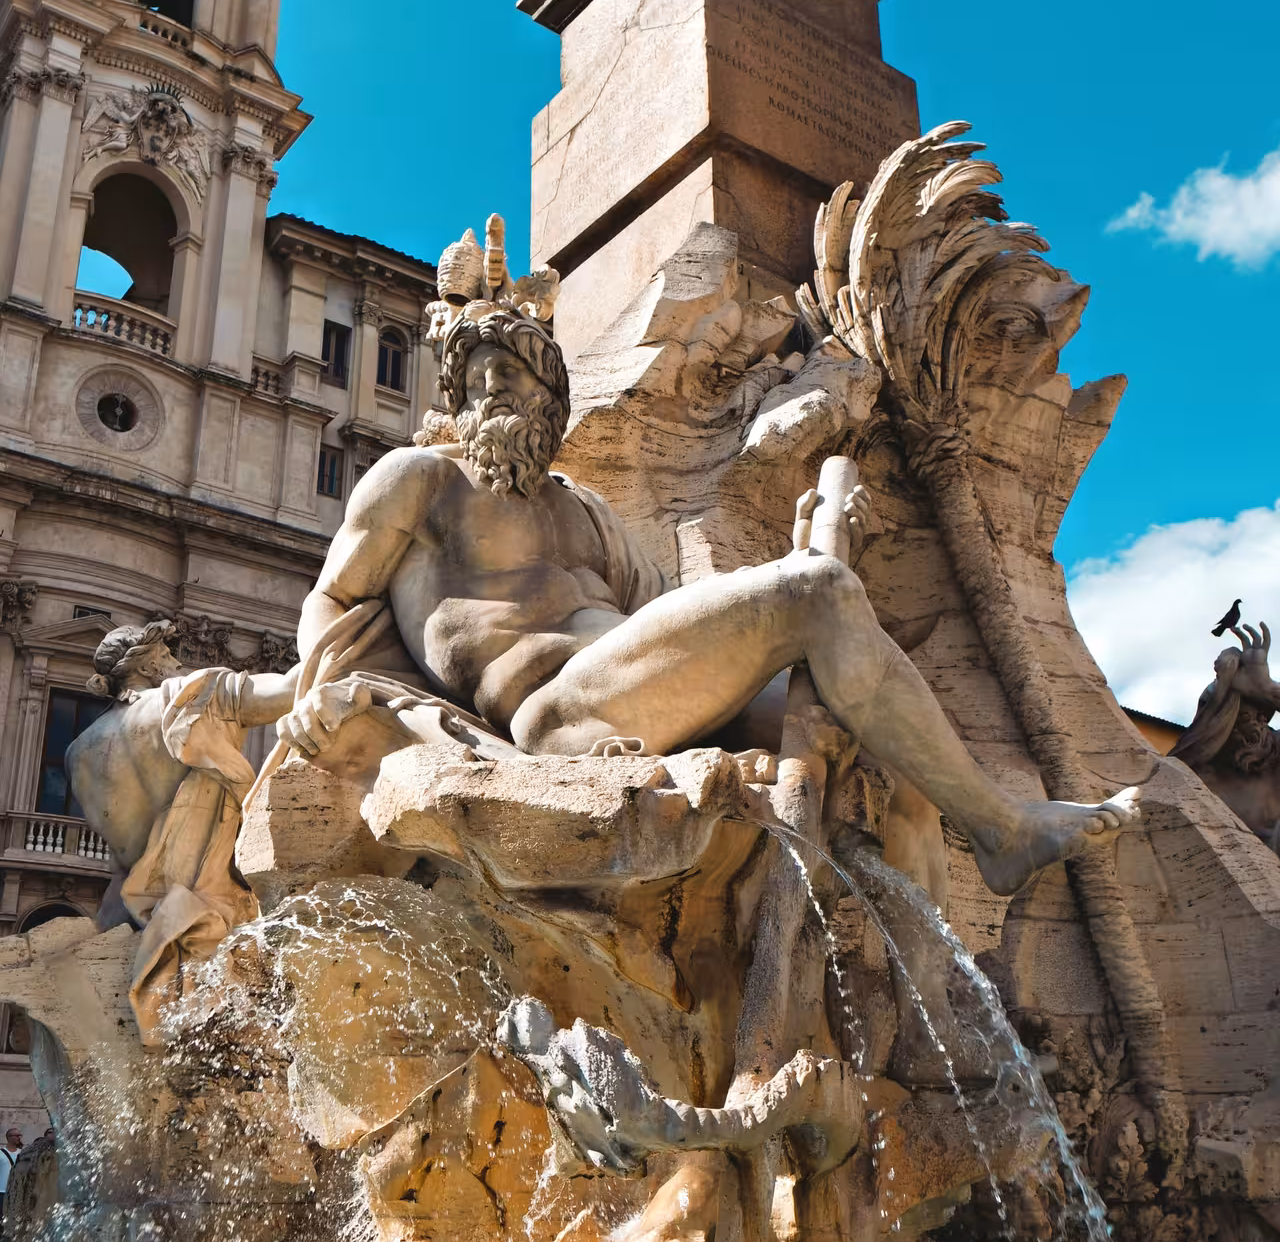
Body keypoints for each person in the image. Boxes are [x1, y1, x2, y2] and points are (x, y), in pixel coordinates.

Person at [277, 306, 1140, 898]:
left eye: (512, 373)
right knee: (815, 589)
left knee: (893, 757)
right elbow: (335, 597)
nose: (491, 389)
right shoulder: (420, 479)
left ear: (552, 398)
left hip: (645, 687)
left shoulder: (584, 510)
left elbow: (677, 621)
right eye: (475, 377)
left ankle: (925, 1024)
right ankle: (1002, 829)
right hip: (551, 712)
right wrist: (317, 690)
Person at [66, 622, 298, 1041]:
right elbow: (290, 690)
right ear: (152, 662)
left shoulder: (77, 750)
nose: (178, 663)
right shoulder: (190, 698)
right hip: (196, 922)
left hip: (116, 926)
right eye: (170, 655)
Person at [0, 1127, 23, 1230]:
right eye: (16, 1135)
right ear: (9, 1137)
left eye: (20, 1135)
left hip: (17, 1191)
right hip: (2, 1191)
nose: (19, 1137)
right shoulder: (0, 1153)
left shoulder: (23, 1153)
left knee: (15, 1219)